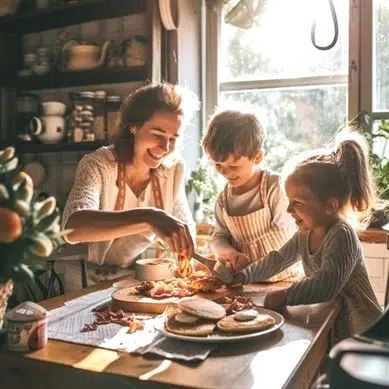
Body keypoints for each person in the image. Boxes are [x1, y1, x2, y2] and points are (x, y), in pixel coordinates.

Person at [230, 129, 383, 341]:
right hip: (339, 328)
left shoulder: (341, 235)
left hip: (366, 335)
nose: (289, 210)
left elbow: (326, 284)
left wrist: (285, 295)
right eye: (289, 201)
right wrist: (244, 276)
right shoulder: (305, 234)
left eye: (298, 203)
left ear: (329, 206)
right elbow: (279, 259)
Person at [62, 82, 198, 291]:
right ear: (133, 127)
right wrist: (150, 217)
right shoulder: (99, 165)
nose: (165, 148)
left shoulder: (172, 170)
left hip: (134, 283)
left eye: (173, 138)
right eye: (157, 134)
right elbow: (72, 228)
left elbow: (184, 228)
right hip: (81, 284)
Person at [202, 109, 304, 281]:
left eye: (233, 166)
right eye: (218, 164)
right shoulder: (223, 200)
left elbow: (290, 243)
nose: (225, 172)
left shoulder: (275, 188)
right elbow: (218, 239)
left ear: (257, 157)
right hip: (246, 283)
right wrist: (230, 253)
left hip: (284, 281)